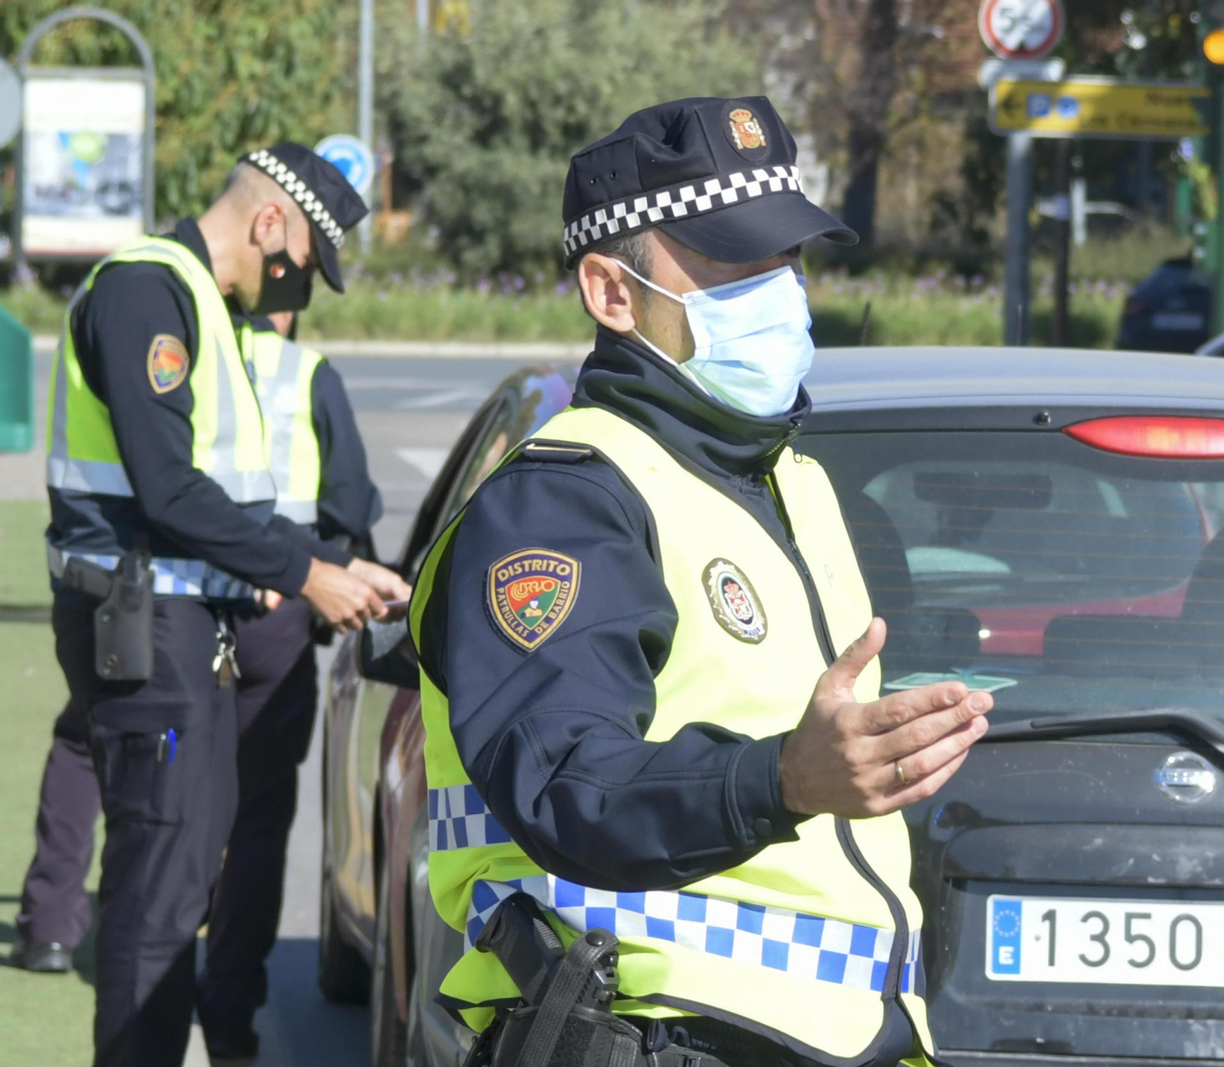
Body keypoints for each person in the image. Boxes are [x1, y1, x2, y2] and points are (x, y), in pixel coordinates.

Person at [408, 97, 991, 1067]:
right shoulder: (564, 502)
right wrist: (780, 777)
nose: (779, 292)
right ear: (611, 291)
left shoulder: (784, 479)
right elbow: (565, 779)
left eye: (786, 259)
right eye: (731, 265)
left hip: (831, 1035)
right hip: (647, 1031)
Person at [37, 141, 409, 1067]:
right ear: (268, 222)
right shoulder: (146, 291)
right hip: (145, 629)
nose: (295, 290)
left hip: (184, 629)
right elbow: (167, 490)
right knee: (159, 897)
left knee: (178, 881)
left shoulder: (198, 303)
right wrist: (311, 572)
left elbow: (228, 497)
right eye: (300, 266)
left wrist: (340, 567)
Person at [193, 309, 383, 1058]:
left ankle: (163, 988)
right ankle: (231, 1012)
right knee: (259, 822)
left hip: (182, 615)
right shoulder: (306, 373)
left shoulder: (187, 354)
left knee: (176, 816)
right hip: (280, 614)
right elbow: (349, 509)